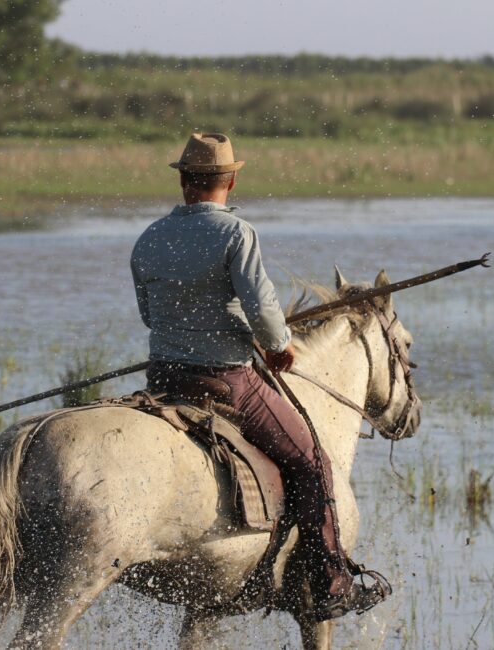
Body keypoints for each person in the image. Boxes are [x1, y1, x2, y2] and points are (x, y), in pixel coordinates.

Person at [129, 132, 386, 621]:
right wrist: (279, 346)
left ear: (183, 180)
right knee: (312, 458)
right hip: (226, 380)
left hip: (162, 378)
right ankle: (331, 583)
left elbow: (149, 314)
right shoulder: (235, 234)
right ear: (231, 180)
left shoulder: (150, 237)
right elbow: (263, 310)